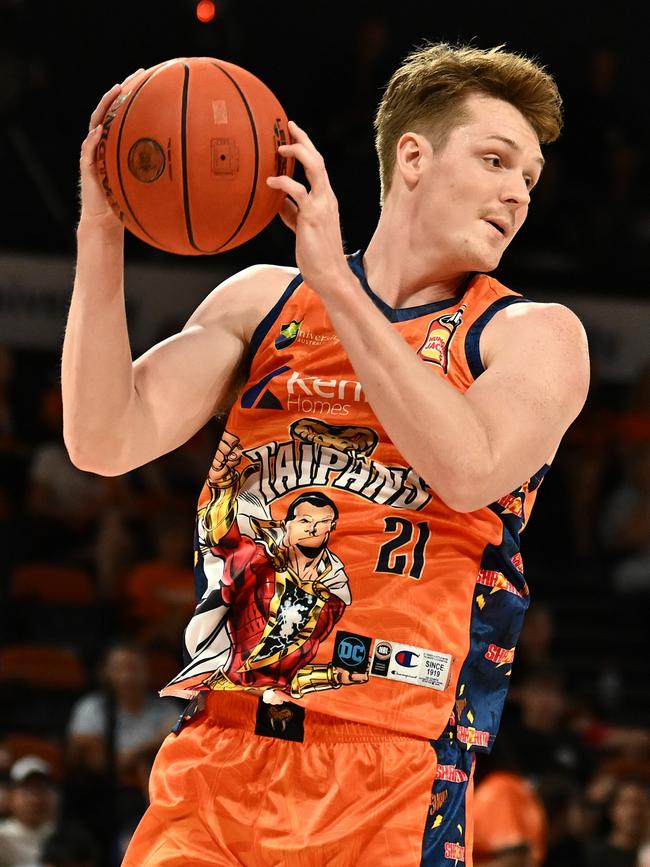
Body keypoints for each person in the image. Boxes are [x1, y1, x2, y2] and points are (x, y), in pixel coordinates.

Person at [62, 42, 589, 867]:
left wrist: (339, 287)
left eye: (529, 177)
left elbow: (469, 467)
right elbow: (100, 438)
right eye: (495, 160)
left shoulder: (533, 334)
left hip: (392, 768)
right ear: (412, 156)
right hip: (219, 750)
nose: (517, 193)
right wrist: (102, 229)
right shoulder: (264, 302)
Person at [0, 756, 58, 867]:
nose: (35, 799)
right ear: (11, 796)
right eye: (27, 789)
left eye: (41, 788)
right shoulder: (2, 838)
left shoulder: (62, 835)